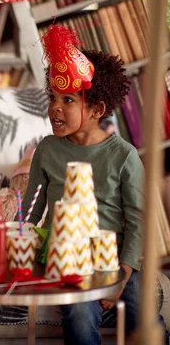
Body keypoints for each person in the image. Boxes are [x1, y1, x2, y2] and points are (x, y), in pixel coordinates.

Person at [22, 25, 166, 344]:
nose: (55, 107)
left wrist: (122, 275)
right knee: (80, 312)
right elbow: (30, 211)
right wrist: (20, 244)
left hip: (116, 255)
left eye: (68, 100)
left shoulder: (124, 156)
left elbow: (139, 222)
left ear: (96, 110)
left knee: (143, 314)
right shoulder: (47, 149)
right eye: (53, 97)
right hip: (67, 254)